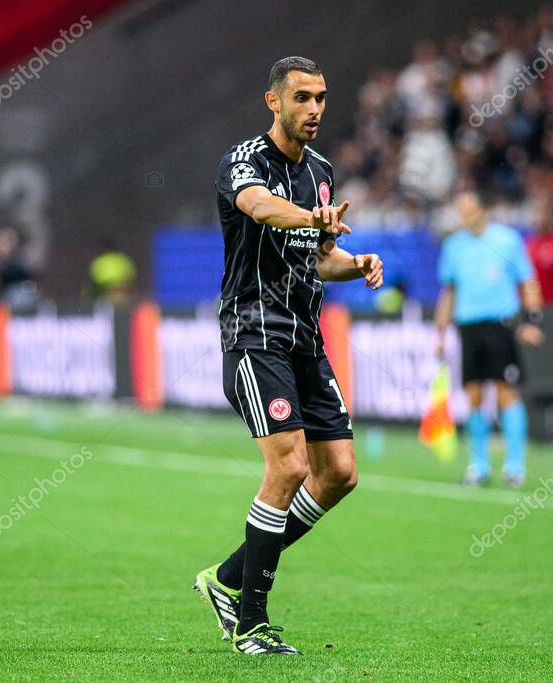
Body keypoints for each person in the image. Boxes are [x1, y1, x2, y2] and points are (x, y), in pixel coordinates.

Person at [193, 56, 383, 656]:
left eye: (321, 98)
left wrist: (354, 264)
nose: (315, 109)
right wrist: (311, 217)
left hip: (306, 339)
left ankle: (225, 579)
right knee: (290, 466)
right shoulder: (245, 160)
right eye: (302, 98)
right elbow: (259, 207)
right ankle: (251, 623)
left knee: (340, 474)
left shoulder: (323, 172)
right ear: (273, 102)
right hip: (255, 335)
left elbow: (317, 255)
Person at [434, 190, 544, 488]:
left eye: (468, 209)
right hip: (468, 326)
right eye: (460, 210)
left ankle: (514, 467)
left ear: (483, 209)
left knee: (506, 391)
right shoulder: (454, 246)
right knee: (473, 395)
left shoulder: (507, 240)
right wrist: (440, 333)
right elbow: (449, 292)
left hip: (500, 324)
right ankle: (478, 466)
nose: (463, 216)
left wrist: (534, 320)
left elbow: (528, 280)